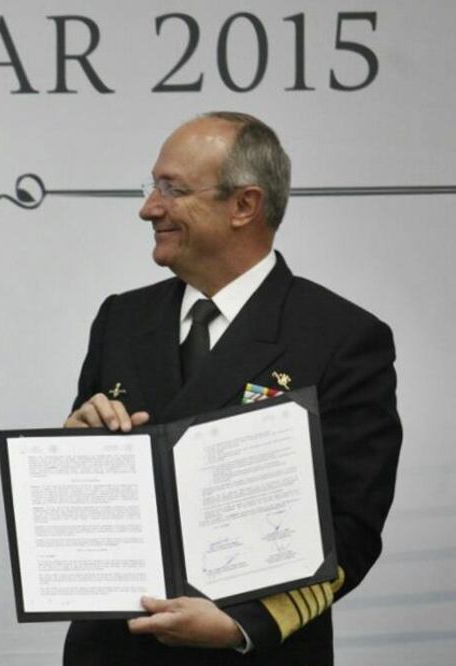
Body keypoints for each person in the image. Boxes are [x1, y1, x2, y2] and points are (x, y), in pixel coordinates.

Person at [62, 112, 401, 665]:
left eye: (172, 189)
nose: (149, 208)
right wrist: (73, 450)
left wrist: (242, 626)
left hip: (250, 652)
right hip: (111, 651)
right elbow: (94, 510)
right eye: (152, 188)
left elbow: (352, 527)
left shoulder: (340, 337)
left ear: (245, 205)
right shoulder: (122, 318)